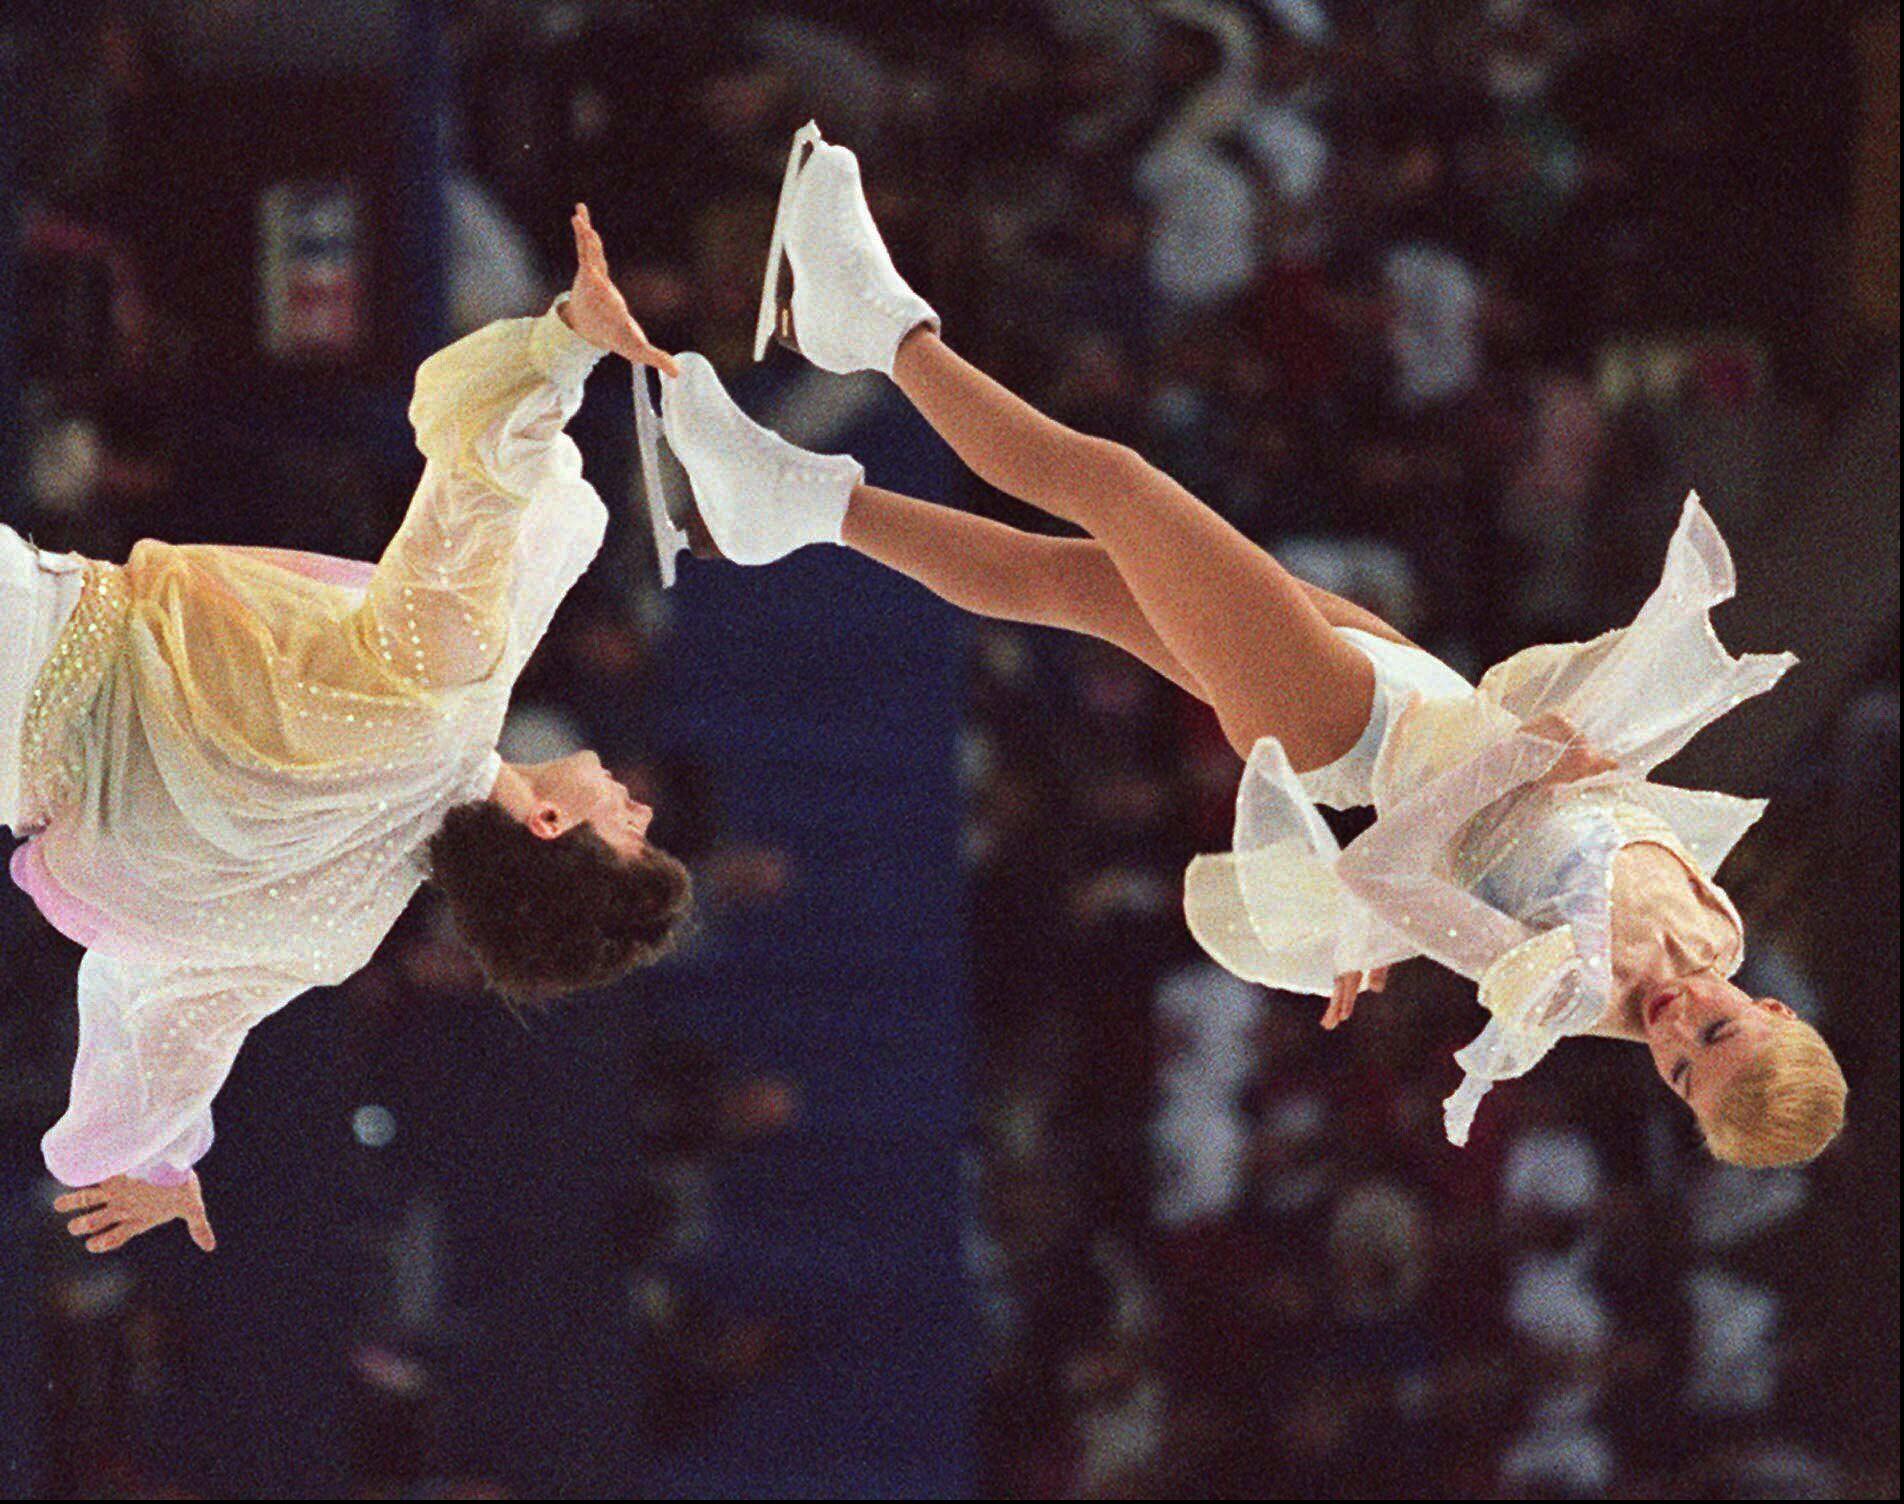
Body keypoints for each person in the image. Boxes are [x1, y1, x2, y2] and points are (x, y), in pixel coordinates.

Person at [656, 127, 1845, 1168]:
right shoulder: (1719, 929)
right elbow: (1535, 841)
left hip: (1348, 729)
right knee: (1076, 580)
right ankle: (783, 500)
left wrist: (1509, 777)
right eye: (1715, 1037)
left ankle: (872, 323)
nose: (1676, 1027)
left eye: (1679, 1074)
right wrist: (1479, 826)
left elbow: (1382, 872)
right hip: (1419, 690)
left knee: (1114, 488)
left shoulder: (1575, 995)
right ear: (1778, 1013)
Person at [9, 207, 691, 1254]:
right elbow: (168, 1013)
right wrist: (150, 1153)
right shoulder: (339, 933)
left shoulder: (447, 687)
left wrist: (562, 341)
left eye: (634, 829)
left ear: (551, 823)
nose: (640, 802)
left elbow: (472, 476)